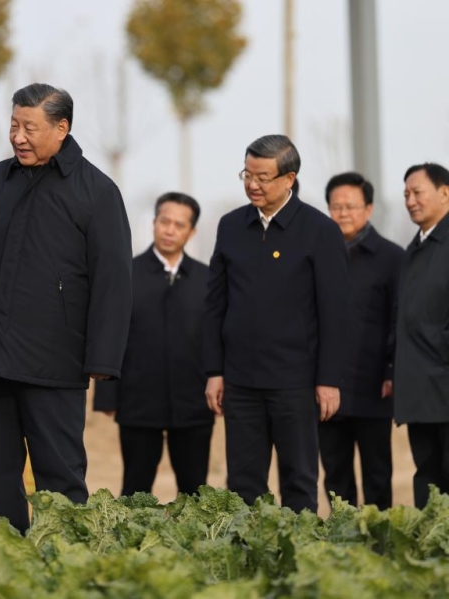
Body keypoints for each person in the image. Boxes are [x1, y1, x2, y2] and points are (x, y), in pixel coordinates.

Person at [0, 83, 132, 533]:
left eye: (29, 127)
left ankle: (64, 564)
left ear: (62, 128)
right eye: (14, 125)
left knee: (58, 477)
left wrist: (102, 358)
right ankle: (10, 557)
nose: (17, 136)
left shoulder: (96, 191)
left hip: (54, 362)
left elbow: (114, 279)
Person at [203, 134, 350, 513]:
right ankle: (246, 562)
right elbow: (215, 305)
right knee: (242, 483)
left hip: (295, 383)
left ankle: (297, 561)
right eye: (247, 174)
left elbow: (335, 312)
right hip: (240, 381)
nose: (253, 184)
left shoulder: (320, 231)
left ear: (289, 179)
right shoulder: (231, 226)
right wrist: (214, 371)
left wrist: (329, 379)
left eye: (263, 177)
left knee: (298, 480)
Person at [94, 192, 212, 497]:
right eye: (165, 221)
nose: (170, 230)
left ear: (191, 231)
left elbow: (217, 337)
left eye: (179, 224)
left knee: (196, 490)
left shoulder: (207, 279)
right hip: (138, 400)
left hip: (194, 401)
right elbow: (109, 332)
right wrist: (107, 394)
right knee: (135, 488)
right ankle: (133, 544)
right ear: (154, 223)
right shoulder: (127, 273)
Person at [319, 172, 403, 509]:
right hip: (327, 387)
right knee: (335, 474)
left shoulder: (391, 257)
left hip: (374, 385)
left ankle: (381, 541)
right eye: (336, 206)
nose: (342, 213)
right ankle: (345, 540)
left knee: (378, 472)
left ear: (368, 209)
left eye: (350, 206)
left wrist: (392, 370)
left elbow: (398, 318)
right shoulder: (319, 253)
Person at [394, 162, 449, 508]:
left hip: (443, 380)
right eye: (405, 195)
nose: (411, 201)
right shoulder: (414, 249)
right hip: (419, 388)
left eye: (417, 193)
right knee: (428, 479)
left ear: (444, 193)